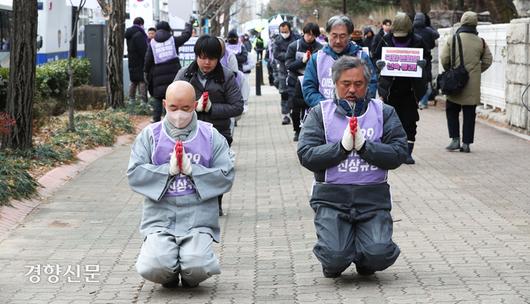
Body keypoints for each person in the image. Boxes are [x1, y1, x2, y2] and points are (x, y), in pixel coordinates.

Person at [297, 56, 407, 278]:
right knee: (335, 257)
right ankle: (336, 258)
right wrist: (341, 148)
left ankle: (366, 257)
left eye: (358, 84)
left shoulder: (384, 112)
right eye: (345, 84)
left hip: (372, 199)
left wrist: (367, 148)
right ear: (335, 84)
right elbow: (306, 154)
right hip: (331, 198)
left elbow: (399, 153)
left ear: (367, 85)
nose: (352, 90)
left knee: (379, 254)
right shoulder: (320, 113)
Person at [128, 81, 235, 288]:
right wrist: (166, 172)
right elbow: (134, 173)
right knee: (154, 266)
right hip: (160, 218)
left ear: (194, 105)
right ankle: (168, 275)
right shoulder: (150, 135)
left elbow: (227, 174)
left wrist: (194, 171)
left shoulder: (211, 136)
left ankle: (188, 275)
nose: (179, 114)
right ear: (165, 104)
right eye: (173, 108)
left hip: (198, 218)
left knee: (198, 265)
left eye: (185, 108)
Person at [175, 34, 244, 215]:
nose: (206, 62)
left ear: (219, 58)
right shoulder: (184, 75)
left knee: (216, 171)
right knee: (192, 170)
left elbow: (237, 106)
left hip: (218, 133)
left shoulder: (227, 77)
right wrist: (192, 107)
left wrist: (212, 108)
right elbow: (173, 102)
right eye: (202, 57)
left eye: (211, 58)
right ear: (196, 56)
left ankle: (216, 203)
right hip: (190, 132)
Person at [373, 13, 429, 165]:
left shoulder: (418, 41)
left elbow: (428, 59)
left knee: (409, 121)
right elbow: (375, 56)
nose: (400, 38)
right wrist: (379, 65)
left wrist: (423, 65)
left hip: (411, 89)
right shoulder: (385, 40)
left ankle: (406, 153)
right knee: (389, 120)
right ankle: (390, 151)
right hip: (390, 88)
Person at [440, 11, 492, 153]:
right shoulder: (481, 42)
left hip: (455, 82)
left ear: (462, 22)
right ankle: (467, 144)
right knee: (469, 113)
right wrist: (476, 71)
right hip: (472, 84)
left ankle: (455, 140)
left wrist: (451, 71)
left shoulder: (453, 38)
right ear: (475, 24)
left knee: (452, 110)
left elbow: (444, 58)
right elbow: (488, 60)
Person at [303, 15, 377, 108]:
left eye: (342, 36)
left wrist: (356, 107)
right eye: (334, 36)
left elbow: (371, 85)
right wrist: (327, 107)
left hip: (355, 114)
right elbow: (309, 89)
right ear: (327, 34)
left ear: (349, 36)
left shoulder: (361, 57)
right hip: (324, 114)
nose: (338, 41)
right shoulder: (317, 58)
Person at [144, 19, 193, 122]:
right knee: (172, 97)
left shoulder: (152, 43)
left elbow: (148, 60)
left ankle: (156, 120)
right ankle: (170, 121)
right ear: (168, 29)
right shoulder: (173, 40)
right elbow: (186, 36)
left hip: (157, 76)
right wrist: (188, 24)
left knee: (158, 97)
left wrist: (146, 73)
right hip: (173, 74)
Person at [285, 22, 323, 141]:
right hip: (295, 81)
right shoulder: (293, 46)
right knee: (295, 108)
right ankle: (297, 130)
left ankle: (312, 131)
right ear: (303, 33)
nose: (309, 37)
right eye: (307, 34)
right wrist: (302, 61)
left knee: (312, 106)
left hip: (313, 81)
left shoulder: (320, 48)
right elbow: (289, 65)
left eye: (312, 35)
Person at [274, 21, 301, 125]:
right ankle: (285, 114)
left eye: (285, 31)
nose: (284, 33)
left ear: (290, 29)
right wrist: (289, 55)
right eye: (282, 31)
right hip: (283, 70)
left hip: (296, 70)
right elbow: (276, 54)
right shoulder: (277, 40)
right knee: (284, 93)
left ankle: (294, 112)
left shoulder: (297, 38)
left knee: (295, 93)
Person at [413, 12, 440, 109]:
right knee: (425, 80)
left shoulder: (411, 30)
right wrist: (429, 26)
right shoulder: (428, 31)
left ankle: (415, 101)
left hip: (412, 60)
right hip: (426, 59)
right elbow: (436, 36)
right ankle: (423, 102)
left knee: (414, 81)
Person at [125, 17, 148, 103]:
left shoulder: (129, 33)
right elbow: (143, 49)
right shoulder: (139, 34)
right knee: (142, 81)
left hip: (132, 60)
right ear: (141, 24)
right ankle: (143, 101)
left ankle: (131, 100)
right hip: (140, 61)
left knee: (133, 81)